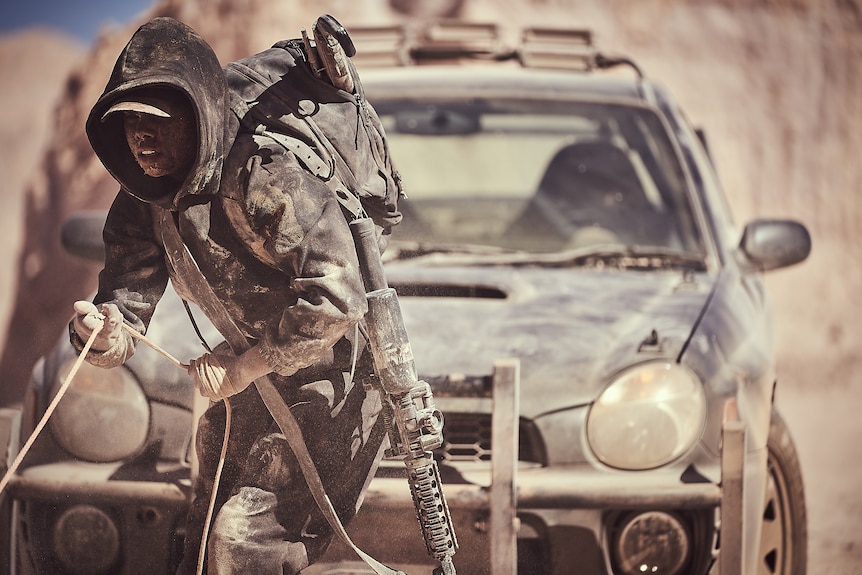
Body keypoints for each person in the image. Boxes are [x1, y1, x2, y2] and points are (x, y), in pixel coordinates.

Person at [71, 17, 398, 574]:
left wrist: (244, 365)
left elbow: (338, 298)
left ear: (198, 118)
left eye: (156, 122)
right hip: (253, 387)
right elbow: (125, 307)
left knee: (241, 541)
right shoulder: (143, 200)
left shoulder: (264, 175)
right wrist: (102, 333)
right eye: (128, 124)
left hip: (338, 389)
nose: (140, 139)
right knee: (201, 546)